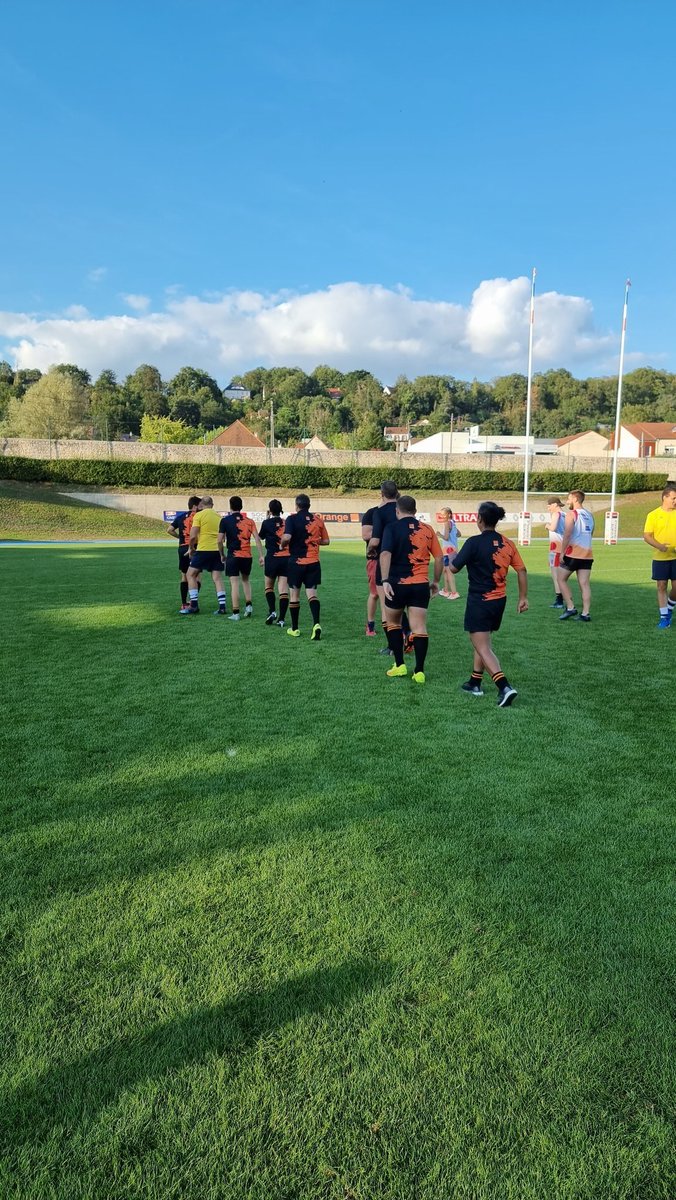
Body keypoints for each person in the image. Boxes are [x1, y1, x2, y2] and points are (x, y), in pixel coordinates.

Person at [449, 500, 528, 707]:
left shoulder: (473, 542)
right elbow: (521, 570)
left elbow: (454, 568)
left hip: (480, 600)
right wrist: (523, 597)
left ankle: (504, 687)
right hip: (499, 601)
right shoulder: (507, 543)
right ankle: (475, 682)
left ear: (480, 520)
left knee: (482, 646)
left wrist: (452, 557)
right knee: (482, 641)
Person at [379, 495, 443, 684]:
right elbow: (439, 558)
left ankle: (399, 665)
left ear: (397, 511)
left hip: (397, 584)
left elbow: (385, 553)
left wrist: (384, 580)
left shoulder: (391, 528)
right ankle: (419, 671)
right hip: (419, 585)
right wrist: (436, 581)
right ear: (415, 511)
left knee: (393, 624)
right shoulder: (427, 529)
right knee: (419, 627)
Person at [368, 480, 413, 654]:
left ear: (381, 494)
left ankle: (393, 646)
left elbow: (376, 540)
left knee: (388, 606)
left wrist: (371, 549)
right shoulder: (404, 509)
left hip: (386, 562)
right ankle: (408, 632)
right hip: (406, 561)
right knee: (400, 603)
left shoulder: (379, 512)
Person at [281, 494, 330, 639]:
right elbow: (326, 541)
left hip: (296, 562)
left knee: (294, 595)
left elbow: (287, 537)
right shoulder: (317, 520)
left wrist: (283, 543)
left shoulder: (292, 519)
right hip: (314, 562)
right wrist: (313, 541)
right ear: (309, 505)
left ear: (297, 505)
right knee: (312, 594)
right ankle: (316, 624)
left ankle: (295, 628)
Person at [218, 496, 264, 621]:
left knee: (234, 584)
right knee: (246, 580)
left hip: (233, 556)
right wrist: (261, 555)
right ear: (241, 506)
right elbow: (257, 539)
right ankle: (248, 606)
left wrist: (222, 554)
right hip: (247, 556)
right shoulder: (249, 521)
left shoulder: (225, 521)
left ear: (230, 506)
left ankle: (236, 612)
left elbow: (219, 540)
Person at [184, 497, 227, 615]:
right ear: (212, 505)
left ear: (202, 504)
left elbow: (192, 536)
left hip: (203, 550)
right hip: (216, 550)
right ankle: (222, 607)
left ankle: (194, 605)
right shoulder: (219, 517)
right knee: (217, 579)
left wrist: (191, 548)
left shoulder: (199, 515)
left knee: (190, 574)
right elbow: (222, 537)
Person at [557, 490, 595, 622]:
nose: (567, 502)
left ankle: (570, 607)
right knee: (584, 584)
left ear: (575, 499)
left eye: (568, 499)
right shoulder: (590, 515)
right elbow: (591, 534)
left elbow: (567, 534)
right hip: (587, 555)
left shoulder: (571, 514)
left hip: (573, 554)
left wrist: (562, 552)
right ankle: (585, 613)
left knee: (560, 579)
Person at [642, 482, 676, 628]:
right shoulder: (653, 515)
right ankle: (664, 617)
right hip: (660, 557)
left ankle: (669, 608)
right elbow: (647, 536)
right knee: (661, 586)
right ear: (665, 497)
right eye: (673, 498)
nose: (675, 501)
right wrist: (660, 547)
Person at [258, 499, 290, 627]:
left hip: (272, 558)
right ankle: (281, 619)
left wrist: (267, 518)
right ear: (281, 510)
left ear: (270, 510)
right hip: (286, 558)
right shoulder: (287, 522)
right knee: (283, 590)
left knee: (269, 587)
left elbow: (261, 537)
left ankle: (272, 611)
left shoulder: (266, 523)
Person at [166, 494, 201, 612]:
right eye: (200, 505)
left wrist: (179, 538)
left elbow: (169, 530)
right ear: (195, 506)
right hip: (195, 548)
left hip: (182, 548)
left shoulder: (180, 517)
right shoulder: (198, 516)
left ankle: (184, 603)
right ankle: (193, 601)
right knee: (197, 575)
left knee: (184, 575)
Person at [361, 502, 380, 636]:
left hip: (395, 559)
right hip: (375, 558)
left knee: (395, 594)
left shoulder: (399, 511)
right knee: (375, 593)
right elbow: (366, 535)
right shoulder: (371, 512)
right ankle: (370, 625)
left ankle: (399, 627)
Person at [545, 497, 566, 608]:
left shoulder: (556, 514)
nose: (548, 508)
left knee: (556, 575)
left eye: (549, 506)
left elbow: (553, 528)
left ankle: (559, 600)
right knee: (562, 576)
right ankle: (563, 598)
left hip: (556, 547)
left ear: (554, 504)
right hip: (564, 547)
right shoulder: (565, 515)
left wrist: (547, 526)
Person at [437, 507, 461, 598]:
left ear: (449, 514)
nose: (442, 516)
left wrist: (439, 534)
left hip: (448, 550)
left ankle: (454, 593)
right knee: (445, 571)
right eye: (441, 514)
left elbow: (446, 537)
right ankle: (446, 590)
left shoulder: (447, 523)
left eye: (444, 514)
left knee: (448, 571)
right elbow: (459, 534)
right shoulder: (453, 523)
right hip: (452, 549)